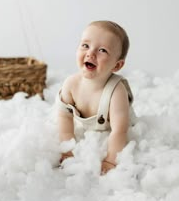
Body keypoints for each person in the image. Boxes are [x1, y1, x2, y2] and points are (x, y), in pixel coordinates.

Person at [56, 20, 135, 174]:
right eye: (85, 45)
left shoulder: (116, 92)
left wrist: (111, 160)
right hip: (88, 129)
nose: (90, 53)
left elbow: (120, 130)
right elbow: (64, 117)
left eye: (102, 50)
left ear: (117, 65)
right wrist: (67, 149)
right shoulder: (71, 84)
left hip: (115, 128)